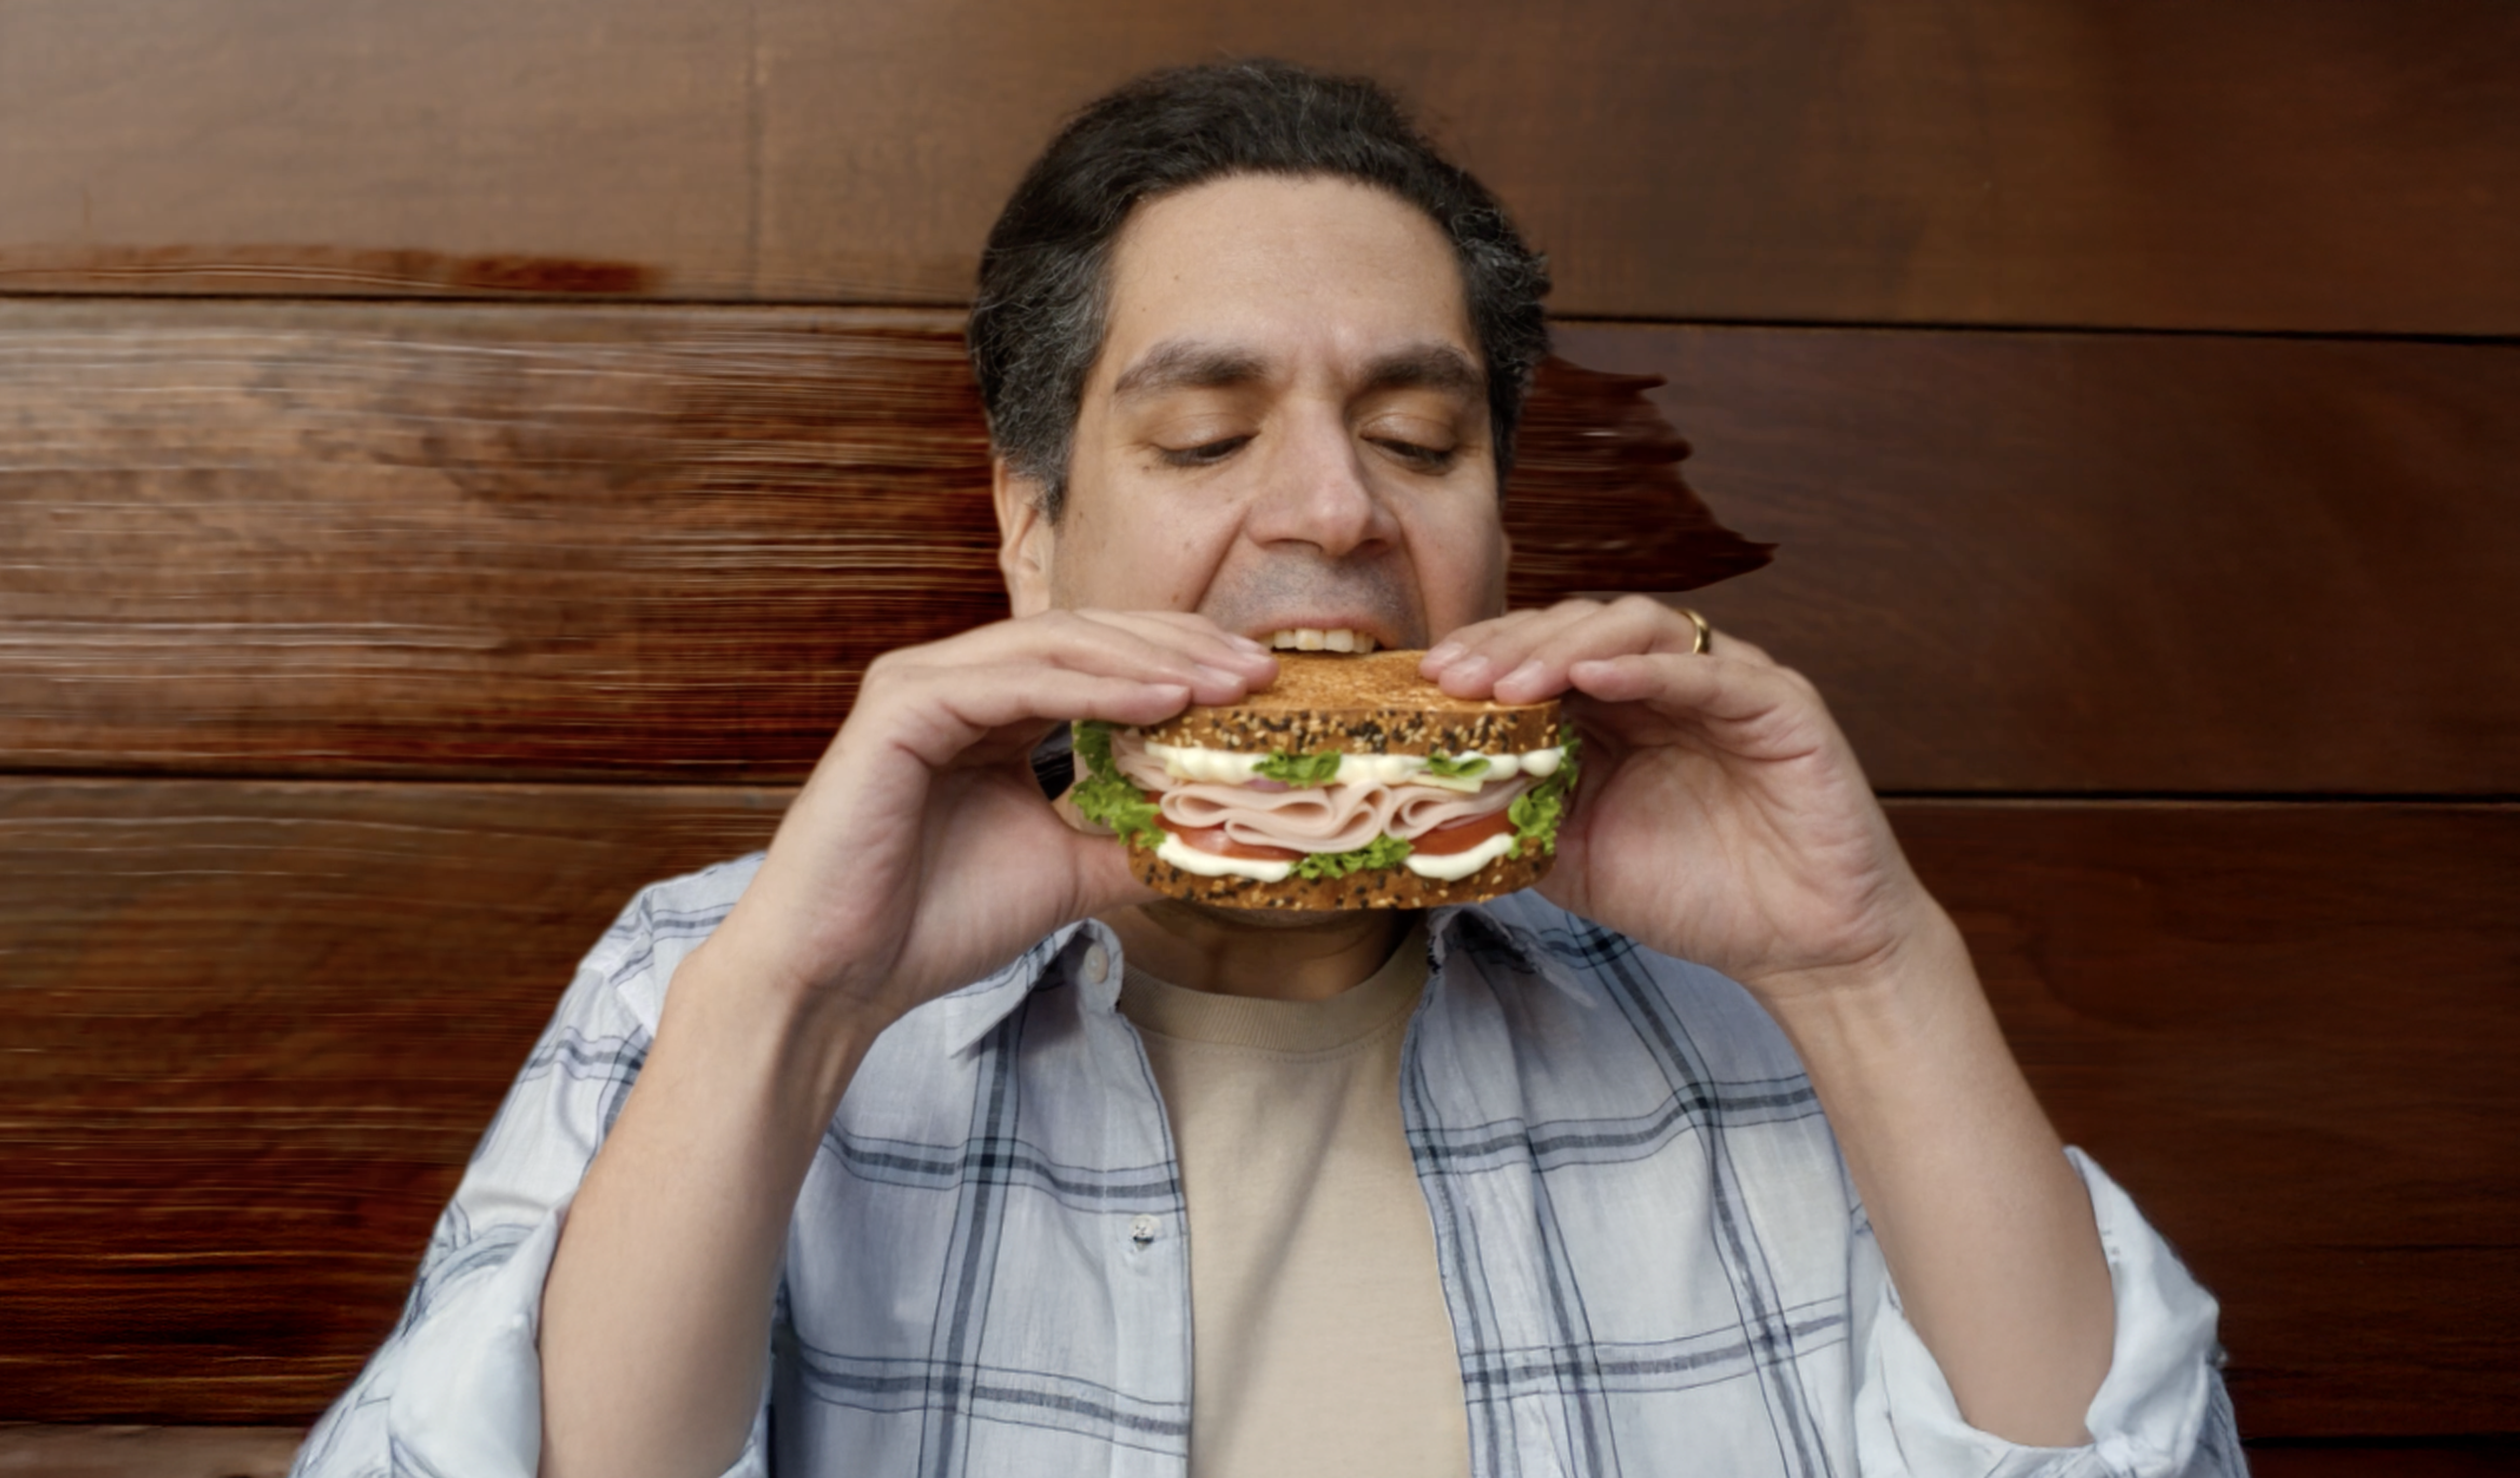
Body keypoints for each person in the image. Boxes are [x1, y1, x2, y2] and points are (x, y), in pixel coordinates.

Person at [292, 61, 2242, 1478]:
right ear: (1030, 529)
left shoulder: (1758, 1021)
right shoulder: (711, 977)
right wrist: (791, 1016)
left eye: (1416, 435)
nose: (1330, 510)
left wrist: (1866, 974)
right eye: (1207, 437)